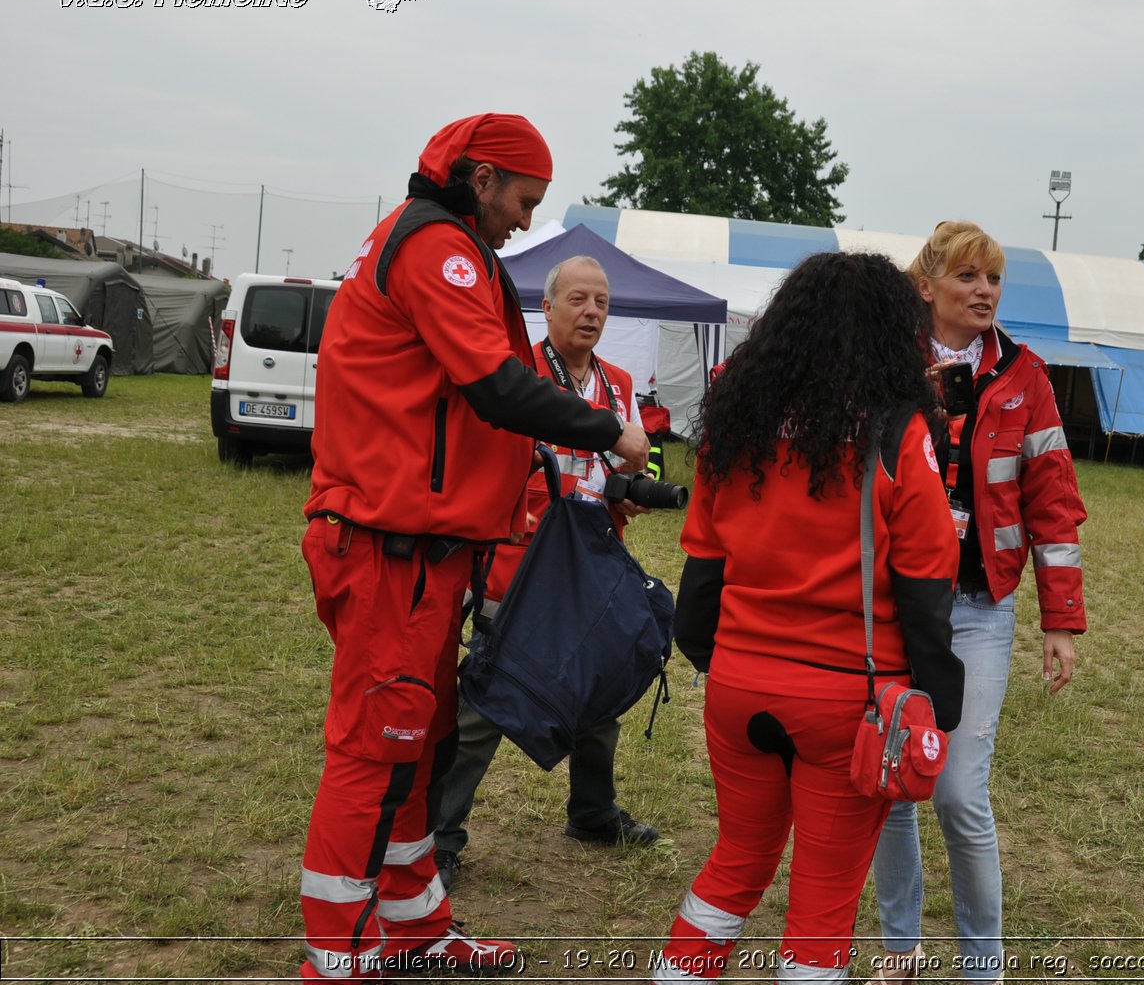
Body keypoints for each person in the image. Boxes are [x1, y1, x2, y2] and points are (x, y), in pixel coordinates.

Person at [297, 114, 650, 981]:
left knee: (418, 743)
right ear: (483, 177)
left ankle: (416, 927)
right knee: (377, 749)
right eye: (524, 199)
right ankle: (337, 957)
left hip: (423, 549)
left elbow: (485, 389)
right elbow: (497, 386)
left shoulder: (444, 246)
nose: (527, 220)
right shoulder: (435, 250)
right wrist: (611, 430)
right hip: (391, 548)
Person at [653, 252, 965, 985]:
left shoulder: (738, 423)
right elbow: (926, 587)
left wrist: (720, 660)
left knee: (735, 862)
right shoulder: (899, 431)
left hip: (737, 687)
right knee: (822, 905)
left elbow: (700, 578)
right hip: (844, 703)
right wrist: (939, 704)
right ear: (893, 333)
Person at [870, 221, 1089, 985]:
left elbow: (1055, 503)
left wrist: (1060, 619)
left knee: (960, 793)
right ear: (926, 286)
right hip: (892, 603)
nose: (985, 291)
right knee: (892, 783)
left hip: (978, 606)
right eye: (967, 277)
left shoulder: (1027, 375)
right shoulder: (885, 363)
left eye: (993, 279)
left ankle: (982, 969)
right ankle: (901, 953)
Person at [432, 255, 659, 894]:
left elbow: (618, 468)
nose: (592, 312)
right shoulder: (519, 374)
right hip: (521, 562)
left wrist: (630, 491)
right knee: (490, 700)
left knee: (600, 688)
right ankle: (439, 836)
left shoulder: (617, 382)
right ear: (549, 307)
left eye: (602, 303)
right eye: (579, 300)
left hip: (592, 562)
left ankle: (591, 811)